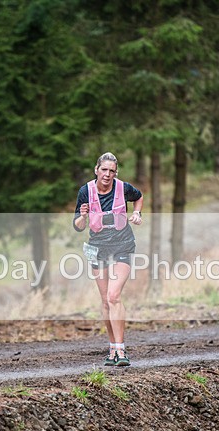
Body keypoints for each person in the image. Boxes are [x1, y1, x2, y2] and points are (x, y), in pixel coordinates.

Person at [73, 152, 143, 367]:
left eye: (112, 171)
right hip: (98, 248)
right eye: (104, 170)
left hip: (122, 245)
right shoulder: (86, 191)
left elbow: (139, 197)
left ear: (116, 172)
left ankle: (121, 352)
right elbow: (78, 226)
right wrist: (83, 216)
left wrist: (137, 213)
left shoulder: (124, 188)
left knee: (114, 296)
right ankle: (112, 348)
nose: (107, 174)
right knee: (105, 300)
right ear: (96, 170)